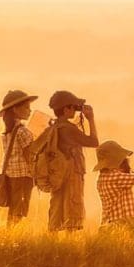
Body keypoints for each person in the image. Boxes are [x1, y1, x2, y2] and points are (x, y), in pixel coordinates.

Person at [37, 90, 99, 232]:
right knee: (72, 207)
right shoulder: (69, 129)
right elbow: (94, 142)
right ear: (66, 109)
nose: (75, 111)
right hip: (71, 173)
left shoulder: (54, 126)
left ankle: (52, 243)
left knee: (56, 206)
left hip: (57, 174)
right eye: (73, 107)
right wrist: (91, 119)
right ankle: (69, 243)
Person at [0, 89, 38, 224]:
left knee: (13, 207)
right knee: (20, 208)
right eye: (26, 107)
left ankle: (10, 234)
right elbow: (29, 154)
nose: (29, 111)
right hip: (23, 175)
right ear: (15, 109)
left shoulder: (7, 132)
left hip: (10, 174)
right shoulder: (22, 131)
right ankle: (12, 235)